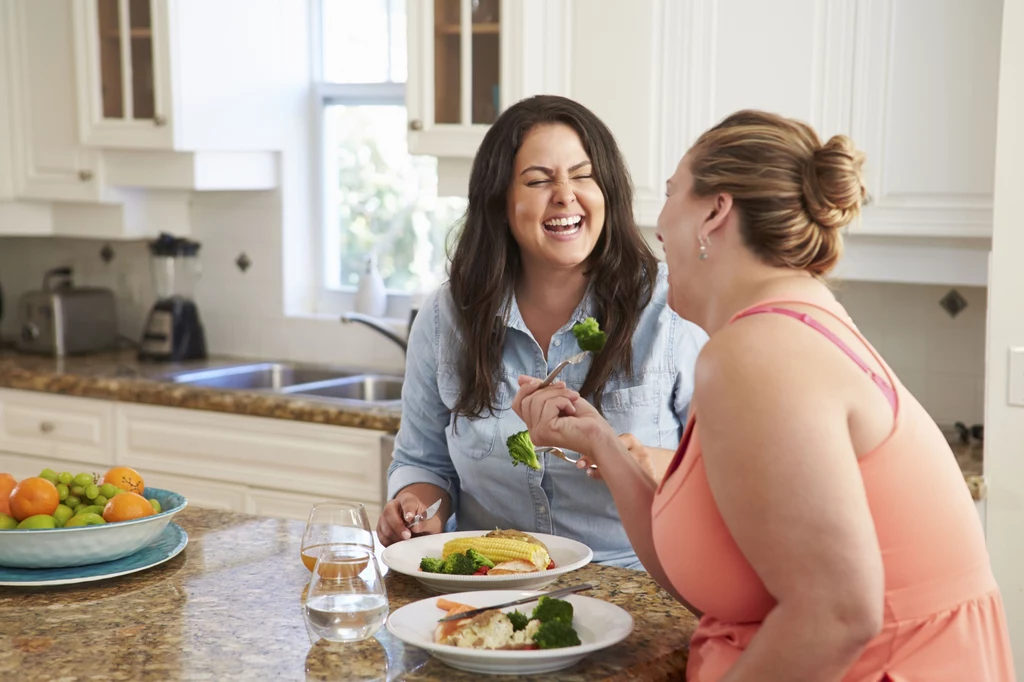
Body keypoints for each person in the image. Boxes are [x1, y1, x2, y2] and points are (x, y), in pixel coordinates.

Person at [512, 110, 1015, 680]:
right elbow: (719, 583)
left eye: (673, 193)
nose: (657, 225)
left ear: (714, 213)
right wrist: (600, 441)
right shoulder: (772, 333)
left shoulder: (758, 353)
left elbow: (838, 614)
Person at [375, 95, 707, 569]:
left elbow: (723, 475)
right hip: (490, 585)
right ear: (501, 203)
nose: (566, 195)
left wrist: (626, 457)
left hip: (636, 582)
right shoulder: (446, 316)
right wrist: (414, 507)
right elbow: (425, 462)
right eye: (538, 180)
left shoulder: (671, 310)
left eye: (583, 175)